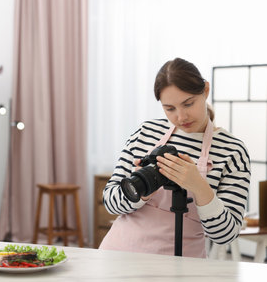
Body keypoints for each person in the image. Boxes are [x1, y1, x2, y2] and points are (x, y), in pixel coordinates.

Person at [99, 58, 251, 258]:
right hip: (118, 256)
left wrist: (198, 186)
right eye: (169, 108)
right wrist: (138, 191)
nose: (181, 117)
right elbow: (110, 203)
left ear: (205, 90)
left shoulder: (232, 151)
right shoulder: (145, 133)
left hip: (182, 266)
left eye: (188, 104)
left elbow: (226, 235)